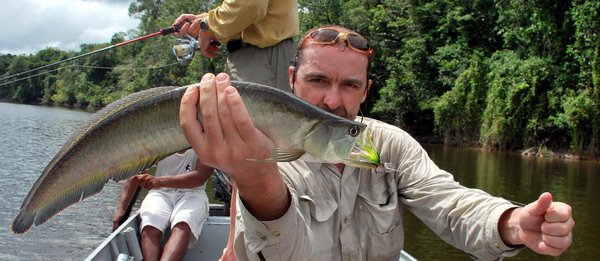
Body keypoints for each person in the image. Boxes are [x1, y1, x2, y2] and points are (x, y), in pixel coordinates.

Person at [178, 25, 575, 260]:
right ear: (293, 79)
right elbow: (284, 251)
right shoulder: (263, 148)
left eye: (349, 85)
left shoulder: (385, 145)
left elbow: (449, 204)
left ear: (365, 91)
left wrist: (512, 223)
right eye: (318, 81)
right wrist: (250, 174)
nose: (333, 100)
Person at [172, 0, 299, 92]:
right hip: (267, 59)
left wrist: (209, 25)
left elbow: (251, 4)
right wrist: (202, 20)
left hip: (260, 59)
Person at [113, 149, 212, 261]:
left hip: (193, 193)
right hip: (160, 192)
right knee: (150, 225)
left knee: (182, 224)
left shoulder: (204, 138)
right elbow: (136, 173)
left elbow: (200, 178)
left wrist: (159, 181)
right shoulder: (156, 139)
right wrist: (121, 210)